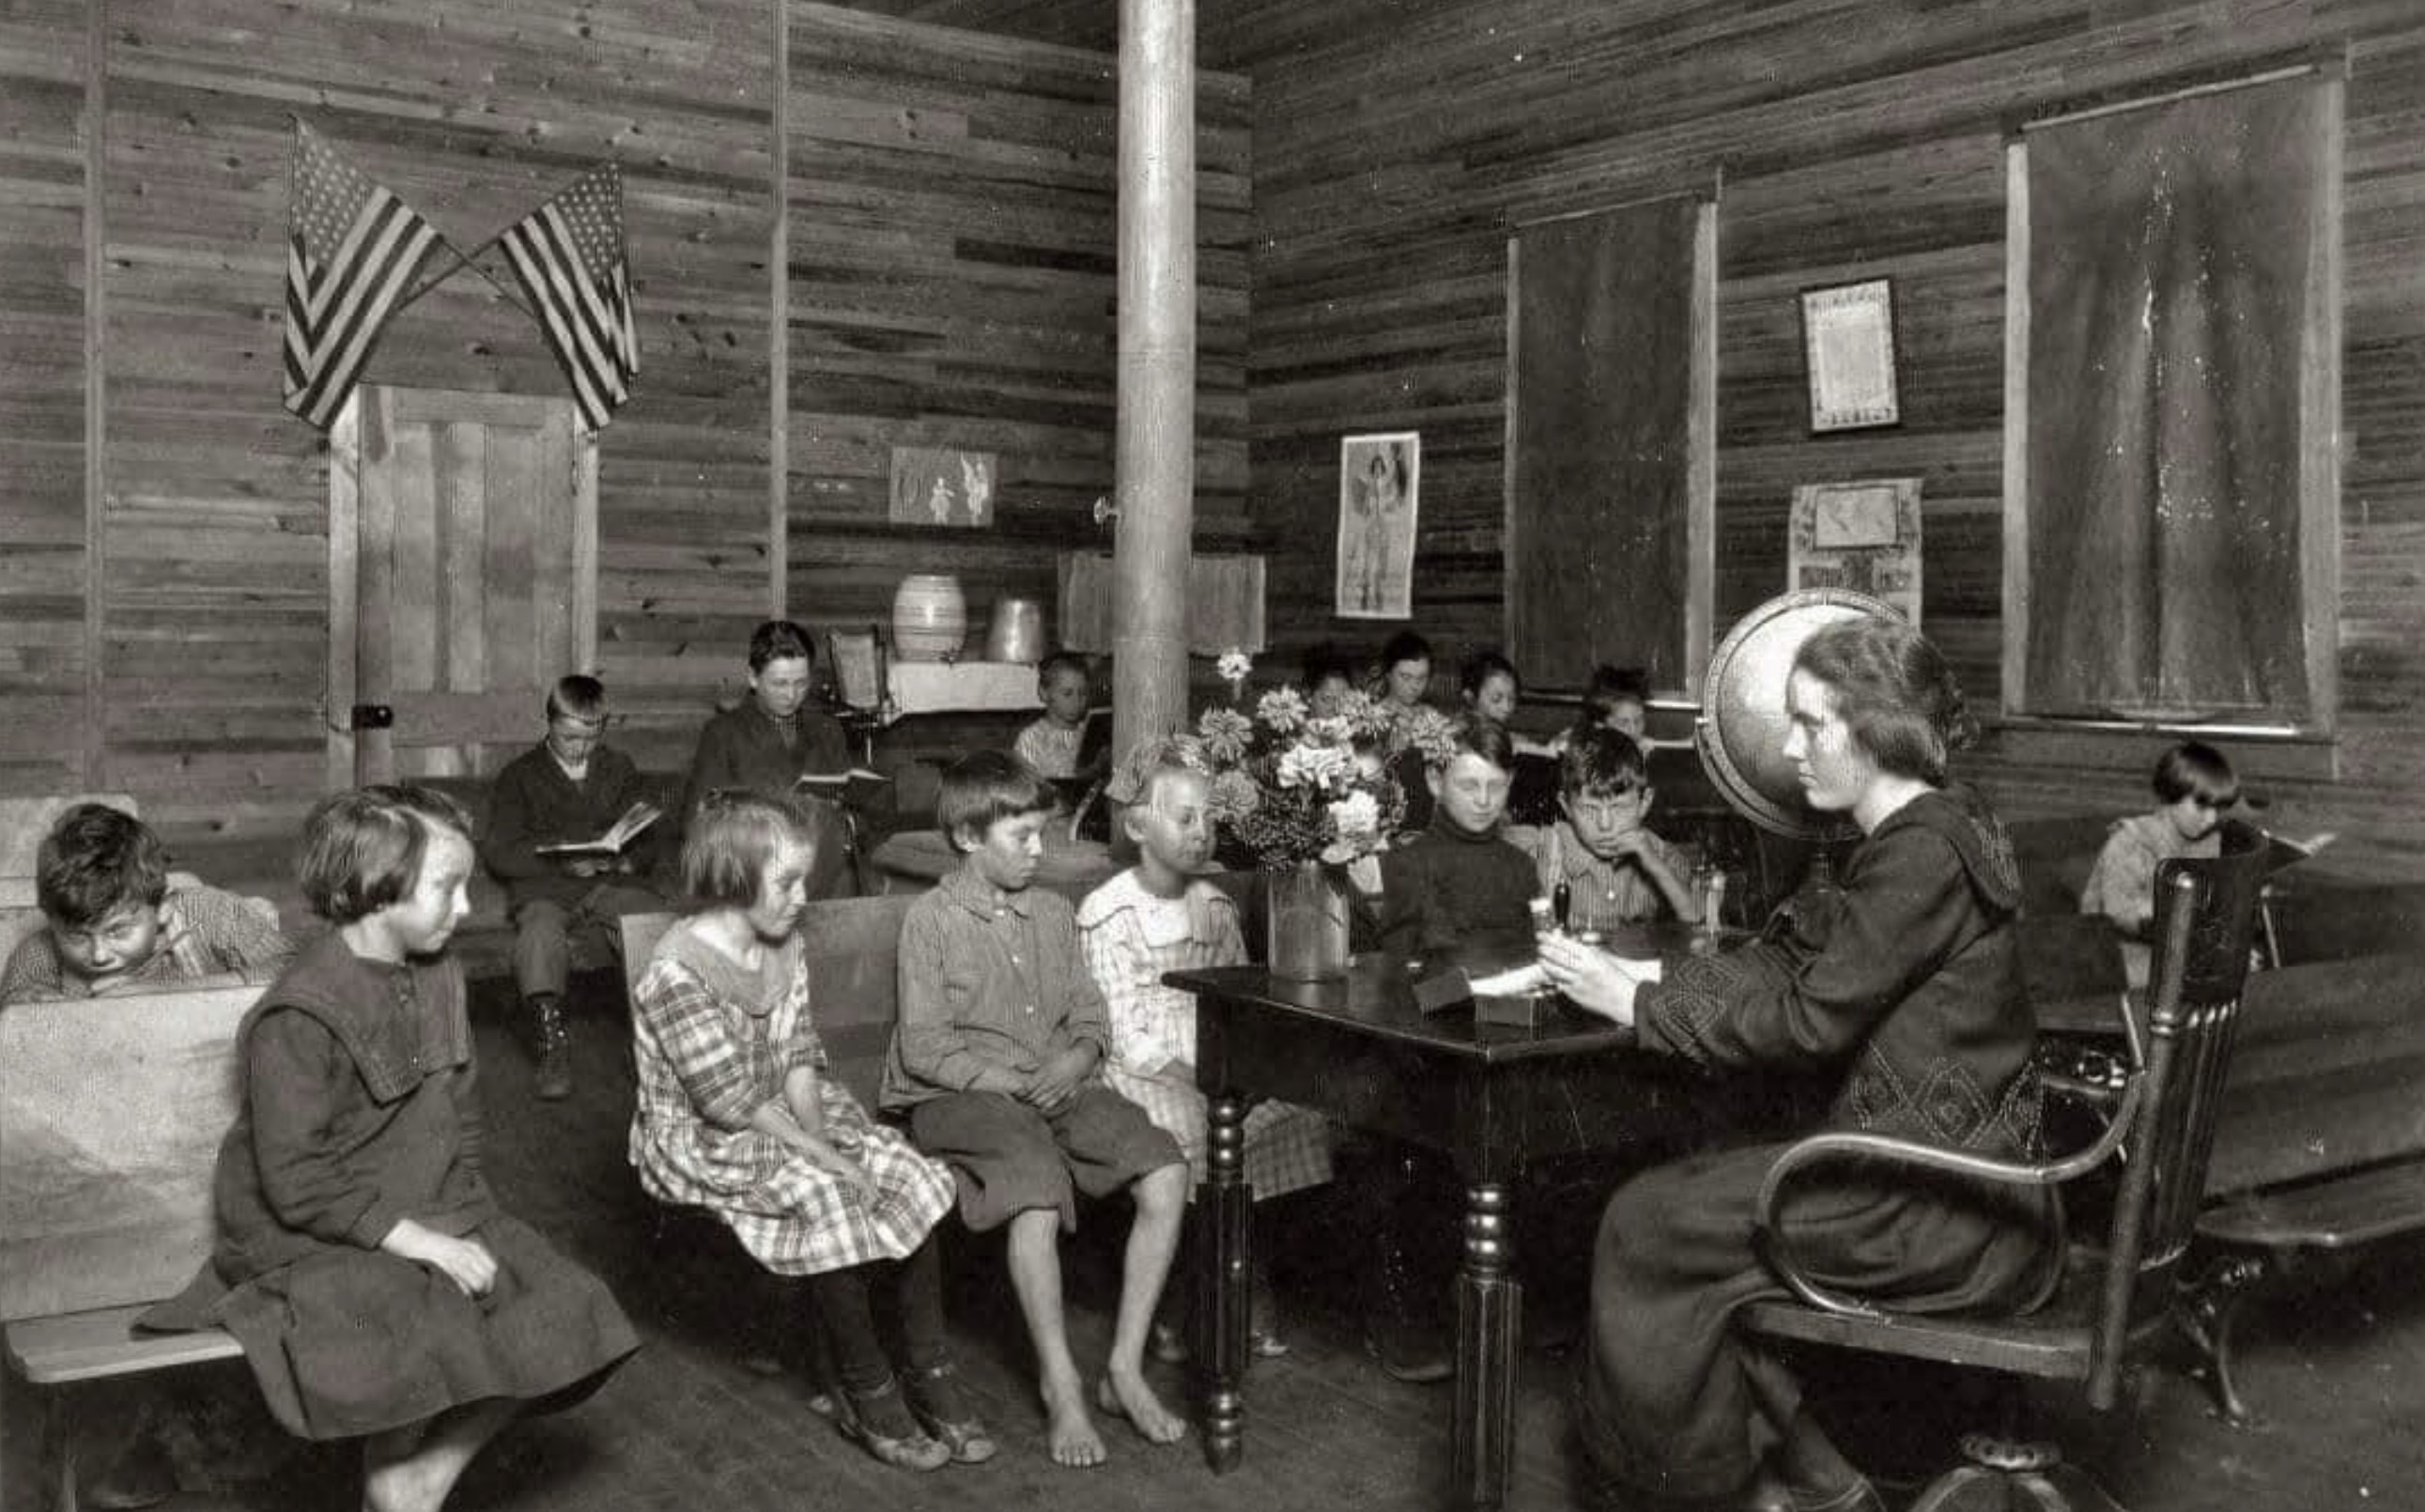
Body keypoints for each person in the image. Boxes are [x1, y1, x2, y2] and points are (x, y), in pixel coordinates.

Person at [1539, 618, 2052, 1512]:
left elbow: (1812, 1020)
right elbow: (1796, 953)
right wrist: (1656, 979)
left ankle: (1701, 1495)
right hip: (1973, 1181)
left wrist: (1639, 1008)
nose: (1788, 745)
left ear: (1879, 730)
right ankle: (1820, 1485)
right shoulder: (1934, 825)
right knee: (1696, 1203)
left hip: (1932, 1207)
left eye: (1810, 724)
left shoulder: (1918, 854)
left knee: (1641, 1221)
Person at [143, 786, 639, 1512]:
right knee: (421, 1323)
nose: (467, 909)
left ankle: (418, 1476)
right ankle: (398, 1472)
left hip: (426, 1204)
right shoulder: (300, 1013)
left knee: (568, 1306)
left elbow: (459, 1115)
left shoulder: (440, 973)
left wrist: (473, 1222)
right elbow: (295, 1179)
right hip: (311, 1233)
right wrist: (424, 1244)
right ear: (376, 892)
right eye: (446, 889)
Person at [628, 791, 987, 1472]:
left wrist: (832, 1141)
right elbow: (732, 1101)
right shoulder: (676, 971)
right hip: (710, 1134)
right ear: (733, 880)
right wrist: (827, 1162)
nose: (803, 896)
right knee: (831, 1196)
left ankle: (931, 1369)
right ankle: (864, 1385)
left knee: (906, 1174)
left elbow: (797, 1058)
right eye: (787, 881)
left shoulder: (783, 945)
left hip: (791, 1112)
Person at [879, 750, 1192, 1469]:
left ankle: (1123, 1368)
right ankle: (1061, 1387)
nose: (1038, 850)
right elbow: (926, 1049)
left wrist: (1079, 1058)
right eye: (1021, 836)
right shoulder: (931, 921)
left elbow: (1089, 1011)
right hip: (961, 1096)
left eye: (1041, 834)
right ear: (966, 838)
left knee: (1167, 1171)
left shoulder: (1053, 911)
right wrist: (1020, 1081)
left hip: (1056, 1083)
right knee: (1037, 1193)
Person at [1078, 746, 1335, 1361]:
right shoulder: (1109, 912)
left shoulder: (1215, 906)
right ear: (1139, 826)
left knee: (1296, 1114)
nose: (1201, 834)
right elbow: (1121, 1030)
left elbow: (1238, 1003)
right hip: (1140, 1069)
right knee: (1196, 1128)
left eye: (1208, 820)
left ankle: (1243, 1272)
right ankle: (1183, 1294)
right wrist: (1198, 1079)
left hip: (1214, 1057)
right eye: (1185, 819)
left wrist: (1242, 1070)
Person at [478, 674, 667, 1102]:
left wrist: (620, 859)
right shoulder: (520, 776)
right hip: (545, 888)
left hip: (608, 884)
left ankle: (655, 1042)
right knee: (539, 935)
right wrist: (560, 857)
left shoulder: (618, 768)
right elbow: (499, 852)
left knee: (653, 923)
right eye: (569, 738)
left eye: (591, 738)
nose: (580, 748)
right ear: (548, 723)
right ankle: (551, 1043)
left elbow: (648, 839)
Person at [1, 802, 290, 1005]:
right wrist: (33, 1007)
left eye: (118, 931)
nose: (99, 954)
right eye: (76, 936)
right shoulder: (38, 954)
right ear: (52, 921)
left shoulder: (210, 915)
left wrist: (162, 993)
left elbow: (292, 969)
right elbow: (14, 1026)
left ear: (163, 908)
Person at [682, 619, 859, 901]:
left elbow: (855, 808)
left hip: (825, 863)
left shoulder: (828, 729)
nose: (791, 695)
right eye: (780, 683)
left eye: (801, 683)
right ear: (753, 677)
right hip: (756, 870)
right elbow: (699, 822)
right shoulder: (724, 733)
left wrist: (840, 807)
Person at [1370, 714, 1537, 962]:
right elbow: (1400, 966)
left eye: (1496, 786)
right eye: (1469, 786)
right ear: (1435, 781)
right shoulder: (1408, 864)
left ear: (1510, 781)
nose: (1483, 800)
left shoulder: (1521, 865)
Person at [1510, 727, 1702, 933]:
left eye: (1619, 807)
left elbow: (1698, 930)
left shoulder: (1664, 857)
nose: (1605, 824)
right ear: (1566, 807)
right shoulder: (1541, 853)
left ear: (1644, 803)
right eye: (1590, 809)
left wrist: (1653, 864)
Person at [2079, 740, 2238, 988]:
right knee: (2198, 972)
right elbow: (2118, 914)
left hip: (2172, 947)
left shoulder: (2209, 842)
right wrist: (2177, 906)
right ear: (2171, 794)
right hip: (2113, 951)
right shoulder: (2130, 841)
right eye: (2202, 806)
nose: (2211, 819)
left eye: (2218, 809)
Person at [1014, 651, 1105, 785]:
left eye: (1083, 693)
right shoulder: (1030, 740)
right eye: (1067, 694)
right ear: (1044, 693)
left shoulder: (1091, 735)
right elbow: (1026, 789)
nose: (1076, 701)